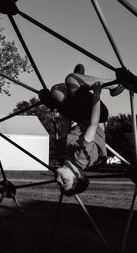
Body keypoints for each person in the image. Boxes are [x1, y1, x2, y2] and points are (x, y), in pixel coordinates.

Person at [52, 64, 123, 196]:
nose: (58, 180)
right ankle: (114, 85)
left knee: (56, 91)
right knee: (71, 79)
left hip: (81, 116)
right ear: (77, 174)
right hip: (96, 115)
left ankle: (81, 82)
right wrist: (97, 94)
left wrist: (61, 107)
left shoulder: (62, 156)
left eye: (59, 183)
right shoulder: (82, 157)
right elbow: (93, 124)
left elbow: (65, 128)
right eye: (65, 181)